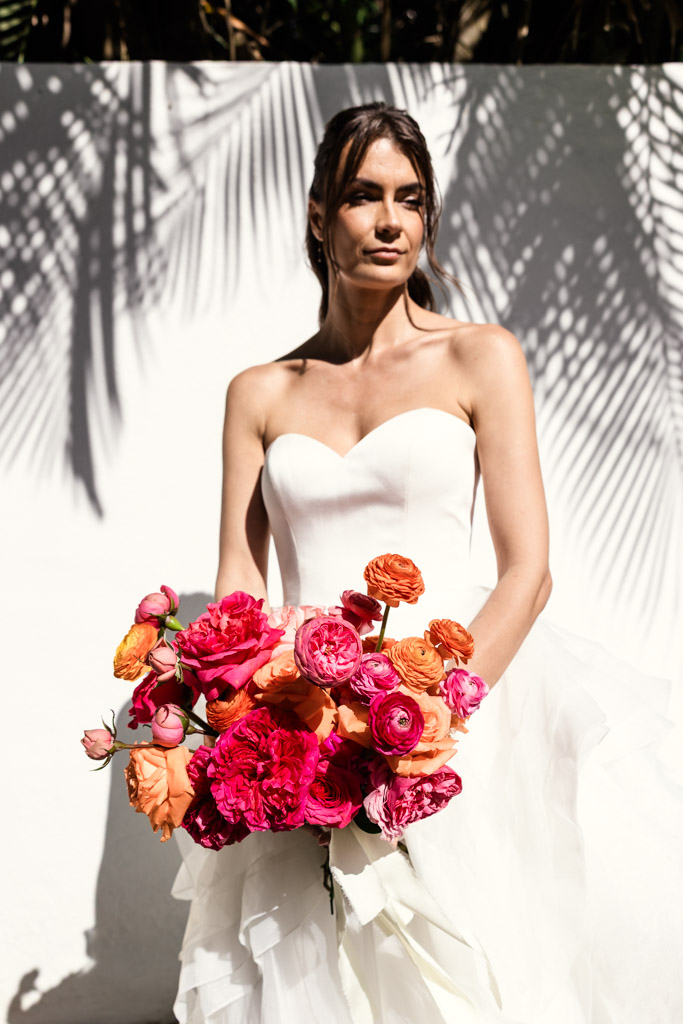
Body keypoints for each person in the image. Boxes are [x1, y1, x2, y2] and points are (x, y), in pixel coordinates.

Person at [172, 103, 683, 1024]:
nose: (389, 221)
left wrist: (430, 720)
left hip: (455, 712)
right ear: (318, 215)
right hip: (305, 725)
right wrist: (239, 719)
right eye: (362, 196)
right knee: (316, 975)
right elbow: (239, 587)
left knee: (470, 972)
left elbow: (528, 571)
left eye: (409, 199)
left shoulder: (480, 358)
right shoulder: (257, 393)